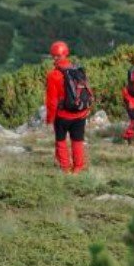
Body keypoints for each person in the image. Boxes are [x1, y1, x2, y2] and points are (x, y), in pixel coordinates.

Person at [45, 41, 91, 174]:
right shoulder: (77, 70)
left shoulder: (53, 75)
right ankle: (78, 168)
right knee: (77, 141)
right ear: (66, 53)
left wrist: (50, 119)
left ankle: (66, 169)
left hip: (63, 115)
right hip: (80, 113)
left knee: (61, 141)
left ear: (54, 56)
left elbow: (52, 102)